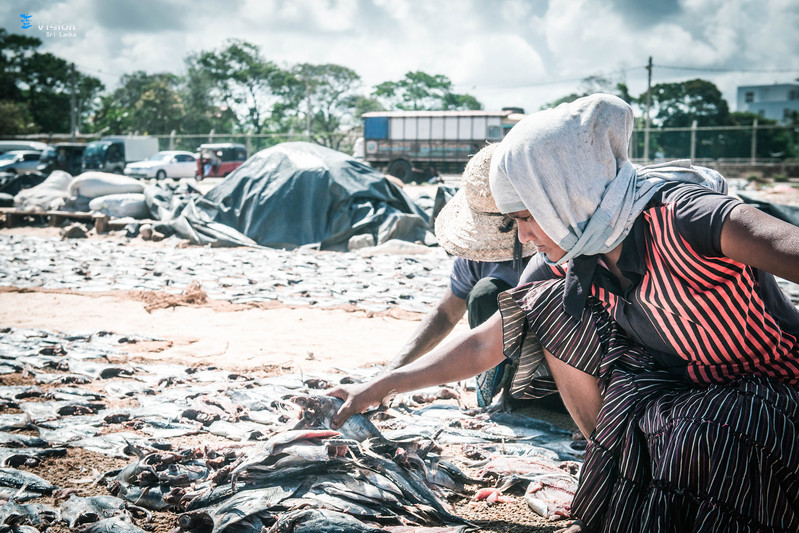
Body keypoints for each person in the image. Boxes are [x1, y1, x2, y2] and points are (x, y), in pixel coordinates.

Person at [330, 94, 799, 532]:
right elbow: (481, 343)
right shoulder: (572, 253)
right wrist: (383, 384)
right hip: (678, 384)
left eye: (526, 217)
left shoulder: (688, 218)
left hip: (767, 384)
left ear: (566, 192)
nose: (523, 237)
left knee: (703, 435)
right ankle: (615, 463)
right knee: (545, 306)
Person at [385, 144, 535, 407]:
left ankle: (522, 394)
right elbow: (445, 314)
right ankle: (496, 386)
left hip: (556, 362)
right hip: (496, 351)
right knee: (485, 293)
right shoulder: (476, 255)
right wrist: (390, 376)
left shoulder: (555, 254)